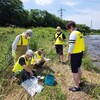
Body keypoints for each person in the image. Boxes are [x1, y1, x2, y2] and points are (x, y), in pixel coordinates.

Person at [66, 21, 85, 92]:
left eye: (68, 29)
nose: (68, 31)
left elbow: (71, 46)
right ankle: (79, 82)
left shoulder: (73, 34)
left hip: (75, 54)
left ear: (71, 27)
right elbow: (82, 44)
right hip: (80, 52)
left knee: (74, 71)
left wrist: (68, 56)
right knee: (79, 67)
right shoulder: (80, 33)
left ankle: (77, 87)